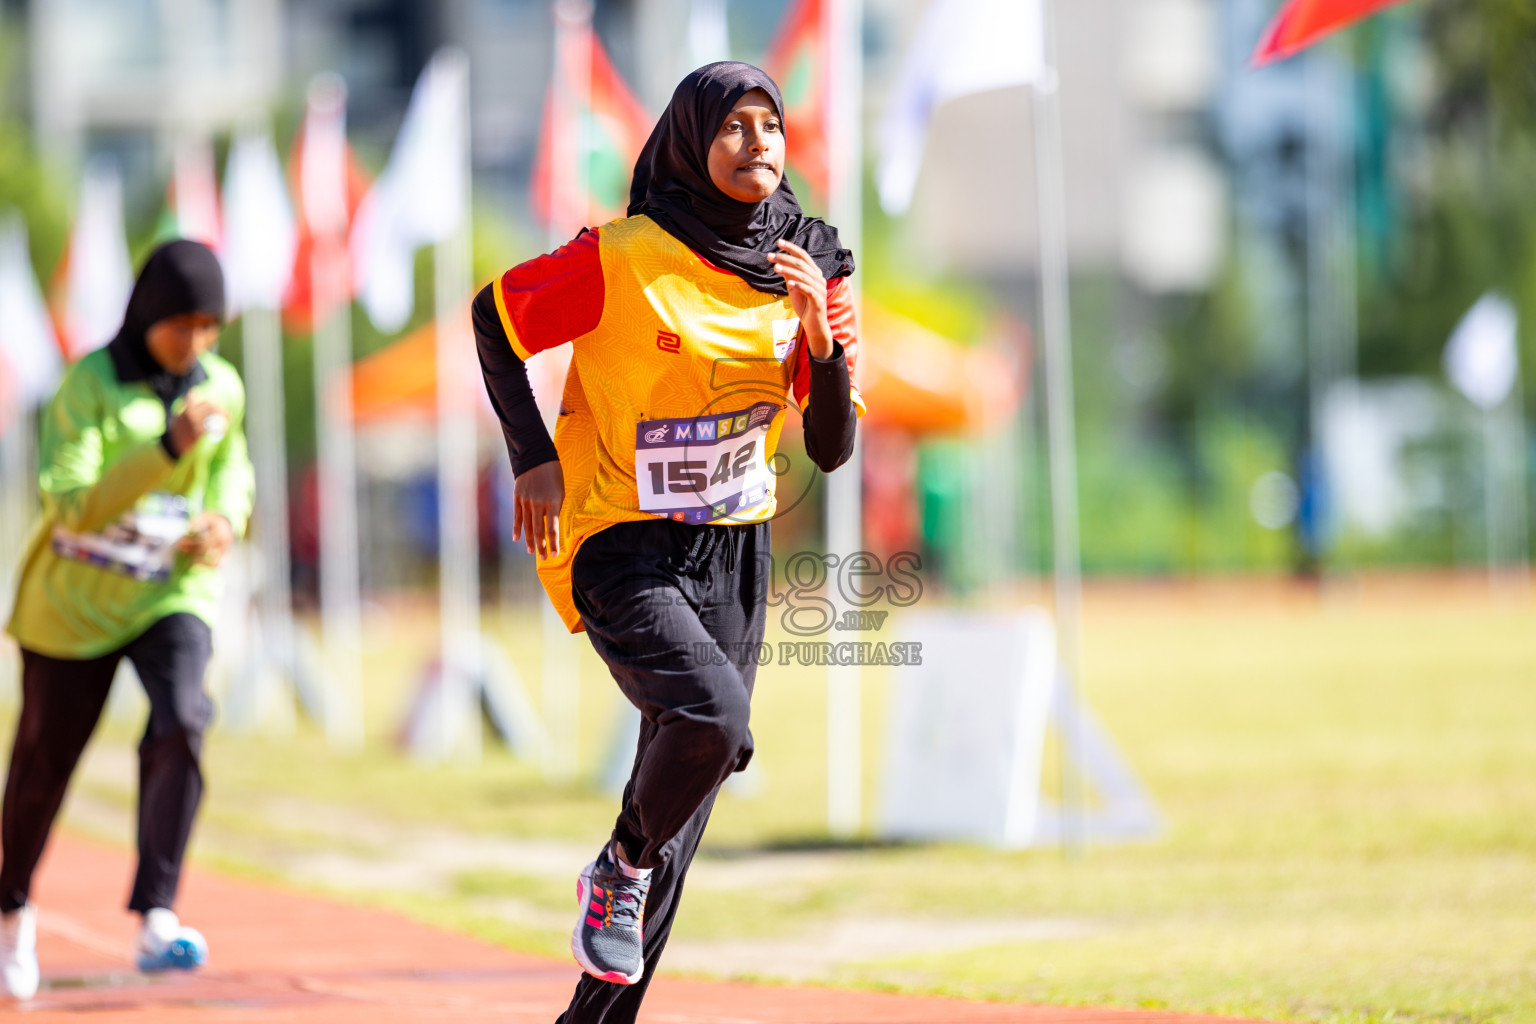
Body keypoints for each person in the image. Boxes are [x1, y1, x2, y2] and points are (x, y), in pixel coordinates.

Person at [474, 62, 863, 1023]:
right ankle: (618, 860)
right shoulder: (623, 254)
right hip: (618, 535)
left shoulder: (814, 264)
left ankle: (594, 1003)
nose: (757, 144)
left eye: (769, 124)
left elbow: (832, 448)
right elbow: (495, 317)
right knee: (713, 725)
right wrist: (532, 457)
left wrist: (821, 341)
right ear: (691, 143)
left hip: (732, 553)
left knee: (681, 820)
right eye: (732, 127)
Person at [0, 240, 253, 999]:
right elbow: (71, 502)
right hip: (73, 608)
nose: (195, 343)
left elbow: (231, 468)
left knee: (183, 716)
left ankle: (157, 912)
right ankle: (12, 909)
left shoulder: (222, 388)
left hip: (168, 592)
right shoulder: (88, 386)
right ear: (147, 313)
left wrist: (225, 519)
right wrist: (167, 445)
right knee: (43, 765)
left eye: (210, 328)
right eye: (182, 325)